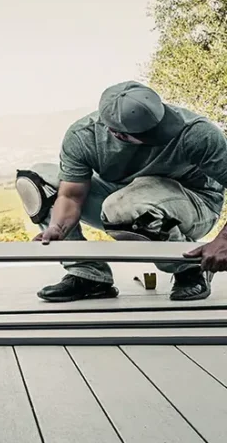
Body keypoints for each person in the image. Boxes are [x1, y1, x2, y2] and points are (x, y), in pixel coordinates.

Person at [15, 81, 227, 302]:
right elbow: (71, 196)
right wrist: (58, 228)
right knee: (38, 181)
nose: (165, 132)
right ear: (118, 134)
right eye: (153, 134)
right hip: (126, 199)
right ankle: (88, 275)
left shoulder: (196, 133)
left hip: (196, 206)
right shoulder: (84, 137)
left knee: (123, 206)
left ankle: (189, 268)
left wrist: (224, 240)